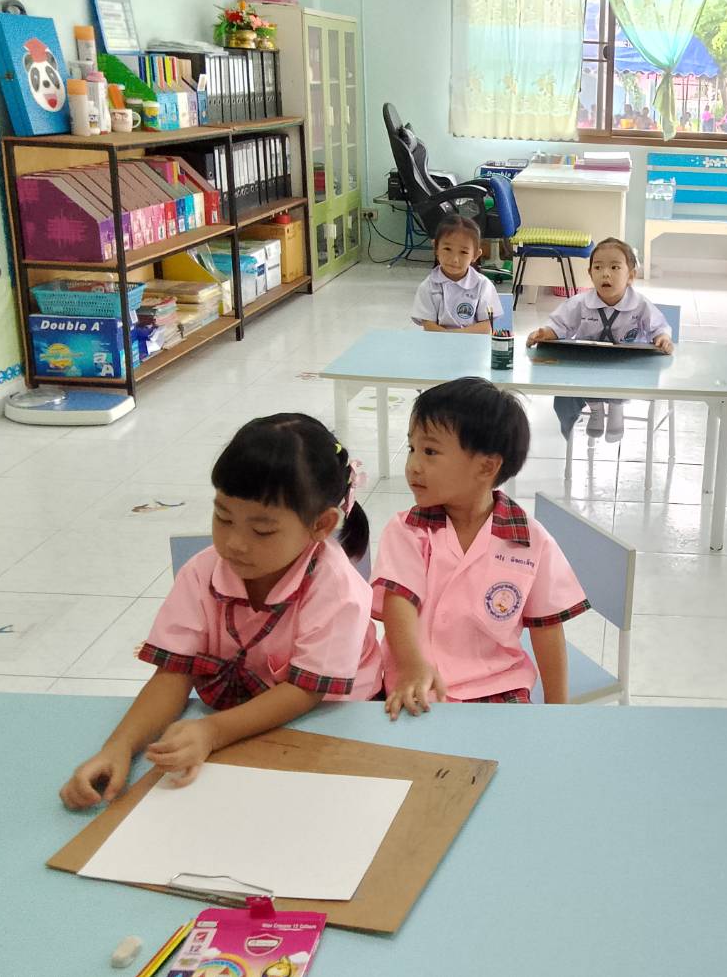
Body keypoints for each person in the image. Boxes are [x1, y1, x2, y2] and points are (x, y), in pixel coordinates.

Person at [59, 415, 384, 808]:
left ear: (322, 525)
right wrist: (119, 747)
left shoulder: (338, 589)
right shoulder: (202, 572)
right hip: (241, 721)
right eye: (223, 517)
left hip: (338, 719)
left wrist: (212, 732)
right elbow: (174, 673)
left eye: (262, 530)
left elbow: (306, 691)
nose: (234, 544)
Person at [372, 378, 590, 714]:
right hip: (418, 684)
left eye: (430, 452)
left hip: (501, 687)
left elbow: (547, 627)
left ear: (486, 466)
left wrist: (558, 711)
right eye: (412, 448)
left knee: (514, 748)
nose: (413, 465)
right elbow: (398, 604)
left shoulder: (530, 540)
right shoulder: (407, 530)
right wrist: (413, 667)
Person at [528, 238, 673, 442]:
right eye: (598, 267)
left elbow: (658, 327)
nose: (605, 273)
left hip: (626, 367)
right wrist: (546, 333)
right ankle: (595, 406)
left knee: (624, 382)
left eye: (615, 267)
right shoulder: (580, 303)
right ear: (590, 274)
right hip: (589, 365)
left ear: (631, 276)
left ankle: (616, 406)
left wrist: (662, 338)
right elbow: (560, 324)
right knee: (567, 391)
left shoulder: (640, 305)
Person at [411, 214, 499, 334]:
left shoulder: (483, 285)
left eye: (463, 252)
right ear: (436, 248)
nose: (454, 259)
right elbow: (429, 326)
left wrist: (455, 337)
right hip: (438, 342)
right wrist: (451, 339)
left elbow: (486, 327)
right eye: (447, 249)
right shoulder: (428, 286)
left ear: (475, 255)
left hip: (472, 342)